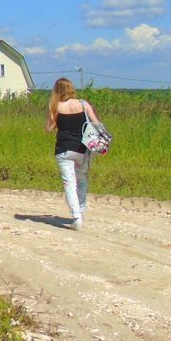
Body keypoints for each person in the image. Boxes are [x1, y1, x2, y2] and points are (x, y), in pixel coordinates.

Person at [44, 78, 101, 230]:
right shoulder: (83, 104)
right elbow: (96, 123)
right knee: (81, 180)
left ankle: (76, 218)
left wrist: (57, 122)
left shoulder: (55, 106)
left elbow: (48, 129)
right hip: (82, 149)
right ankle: (81, 212)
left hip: (63, 149)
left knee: (69, 183)